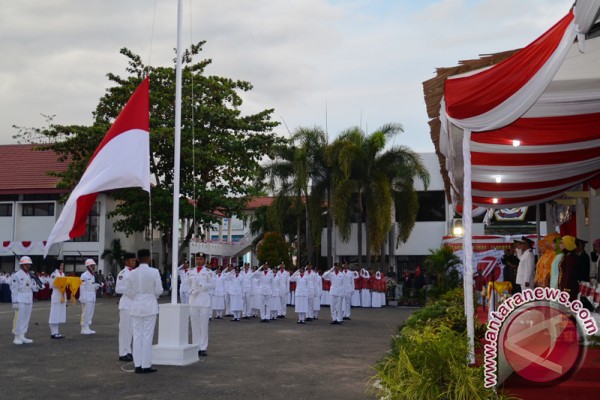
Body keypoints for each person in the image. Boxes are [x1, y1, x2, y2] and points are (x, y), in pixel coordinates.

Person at [124, 249, 163, 374]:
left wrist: (136, 297)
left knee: (137, 336)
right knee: (147, 336)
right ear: (148, 258)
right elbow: (159, 290)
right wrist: (152, 296)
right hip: (150, 305)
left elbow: (128, 291)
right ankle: (146, 365)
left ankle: (138, 365)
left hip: (136, 305)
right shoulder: (154, 272)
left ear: (138, 259)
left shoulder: (132, 273)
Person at [188, 252, 215, 356]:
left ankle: (203, 347)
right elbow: (186, 284)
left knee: (203, 325)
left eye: (200, 259)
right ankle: (196, 346)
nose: (198, 261)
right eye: (197, 259)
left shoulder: (208, 272)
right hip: (193, 300)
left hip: (204, 300)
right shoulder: (191, 271)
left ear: (204, 260)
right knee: (194, 324)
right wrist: (191, 291)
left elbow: (213, 284)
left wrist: (204, 285)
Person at [11, 256, 39, 345]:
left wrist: (38, 287)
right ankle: (16, 336)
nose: (29, 266)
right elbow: (14, 289)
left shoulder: (30, 274)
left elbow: (32, 287)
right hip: (20, 298)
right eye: (27, 264)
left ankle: (22, 335)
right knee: (19, 318)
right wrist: (14, 301)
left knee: (26, 318)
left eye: (29, 264)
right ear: (22, 265)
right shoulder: (17, 275)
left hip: (28, 297)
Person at [115, 252, 137, 362]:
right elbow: (118, 289)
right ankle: (122, 353)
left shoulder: (134, 272)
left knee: (130, 330)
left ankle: (128, 351)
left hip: (133, 305)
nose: (134, 262)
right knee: (124, 329)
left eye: (134, 260)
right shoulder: (123, 273)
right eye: (132, 260)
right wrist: (131, 292)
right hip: (126, 304)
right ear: (126, 261)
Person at [79, 259, 100, 335]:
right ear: (88, 266)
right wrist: (83, 297)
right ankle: (83, 328)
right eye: (92, 265)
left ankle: (87, 327)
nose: (93, 267)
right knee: (85, 312)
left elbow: (92, 285)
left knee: (90, 312)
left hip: (92, 296)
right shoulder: (84, 275)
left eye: (94, 265)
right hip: (86, 296)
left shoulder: (93, 275)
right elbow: (82, 287)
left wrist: (97, 285)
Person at [48, 261, 67, 339]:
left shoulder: (63, 274)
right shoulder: (54, 274)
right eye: (60, 265)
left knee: (59, 314)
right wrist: (59, 283)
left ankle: (57, 332)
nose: (62, 266)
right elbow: (51, 285)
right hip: (56, 294)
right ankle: (53, 332)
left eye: (63, 265)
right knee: (54, 314)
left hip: (62, 295)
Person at [559, 235, 579, 301]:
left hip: (569, 287)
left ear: (567, 244)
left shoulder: (570, 258)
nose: (559, 245)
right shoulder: (567, 256)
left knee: (568, 307)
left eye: (562, 243)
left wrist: (566, 289)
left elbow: (569, 274)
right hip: (566, 285)